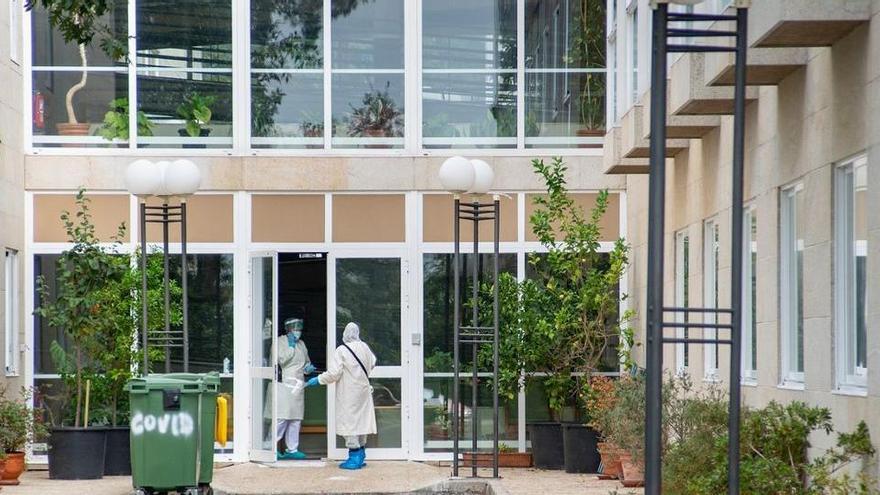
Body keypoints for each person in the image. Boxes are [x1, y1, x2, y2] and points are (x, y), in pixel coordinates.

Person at [306, 322, 376, 470]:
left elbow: (334, 373)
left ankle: (354, 456)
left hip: (349, 392)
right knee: (361, 421)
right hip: (363, 391)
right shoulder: (365, 347)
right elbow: (373, 363)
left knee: (349, 423)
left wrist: (318, 380)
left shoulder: (342, 350)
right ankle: (361, 454)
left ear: (345, 334)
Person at [275, 317, 316, 460]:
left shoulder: (302, 344)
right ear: (288, 329)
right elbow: (282, 360)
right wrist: (291, 347)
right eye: (295, 328)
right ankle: (271, 447)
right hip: (285, 383)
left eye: (299, 328)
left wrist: (308, 369)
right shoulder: (280, 341)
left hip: (298, 384)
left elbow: (305, 362)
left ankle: (292, 449)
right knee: (282, 417)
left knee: (296, 418)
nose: (297, 331)